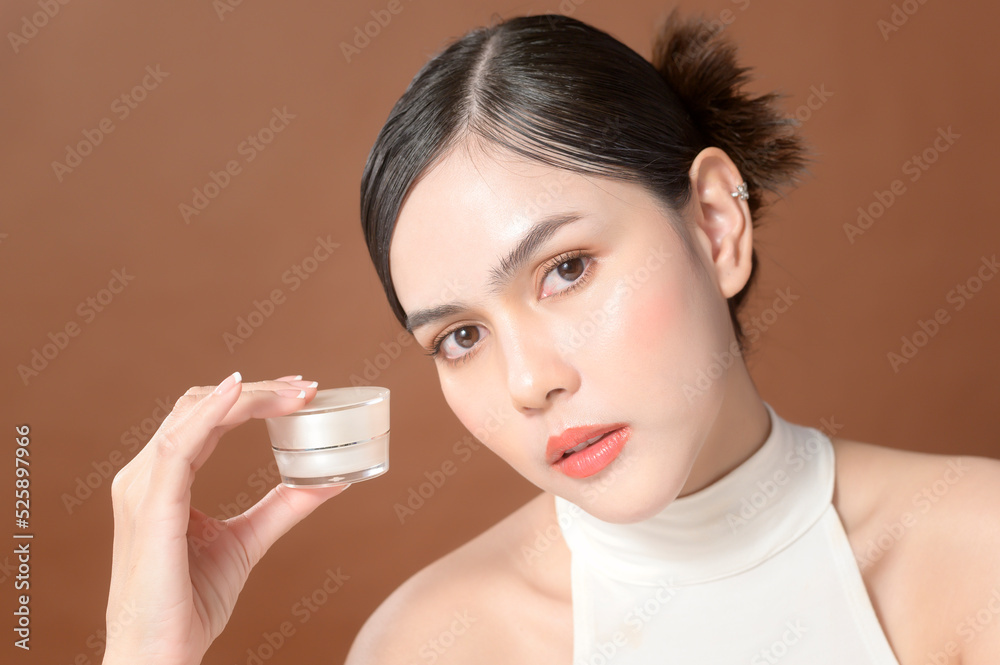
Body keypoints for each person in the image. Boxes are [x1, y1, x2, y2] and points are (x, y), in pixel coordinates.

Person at [102, 10, 1000, 665]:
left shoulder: (977, 553)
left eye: (566, 269)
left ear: (715, 224)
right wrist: (146, 652)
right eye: (461, 335)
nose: (528, 382)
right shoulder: (434, 644)